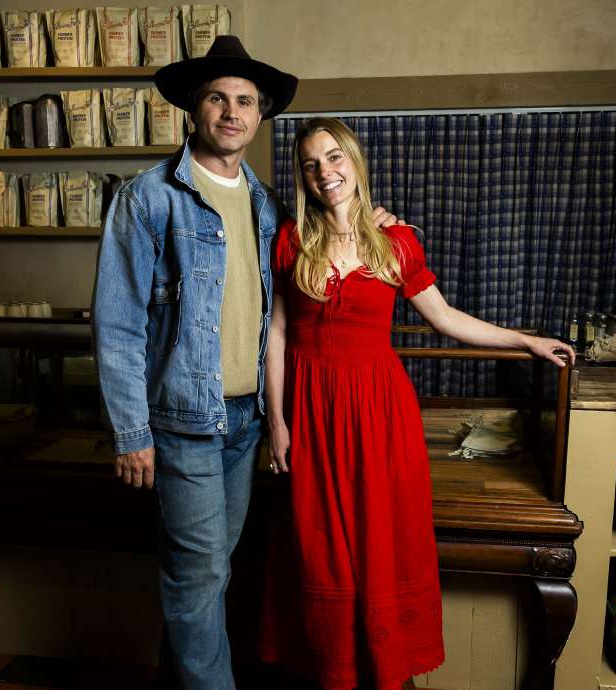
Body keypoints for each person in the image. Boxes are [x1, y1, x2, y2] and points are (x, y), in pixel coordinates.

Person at [93, 38, 397, 690]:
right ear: (193, 109)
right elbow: (117, 327)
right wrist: (131, 431)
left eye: (245, 102)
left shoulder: (268, 208)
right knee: (200, 573)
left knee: (212, 571)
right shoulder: (148, 198)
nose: (231, 112)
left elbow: (318, 262)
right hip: (182, 421)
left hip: (248, 421)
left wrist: (369, 221)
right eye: (217, 98)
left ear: (259, 116)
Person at [257, 117, 575, 690]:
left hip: (379, 412)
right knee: (316, 541)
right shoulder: (291, 240)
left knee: (382, 538)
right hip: (311, 412)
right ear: (302, 178)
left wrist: (525, 339)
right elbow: (276, 335)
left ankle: (382, 667)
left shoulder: (395, 240)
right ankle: (331, 667)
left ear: (354, 161)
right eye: (310, 164)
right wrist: (276, 421)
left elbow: (447, 319)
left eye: (334, 158)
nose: (325, 172)